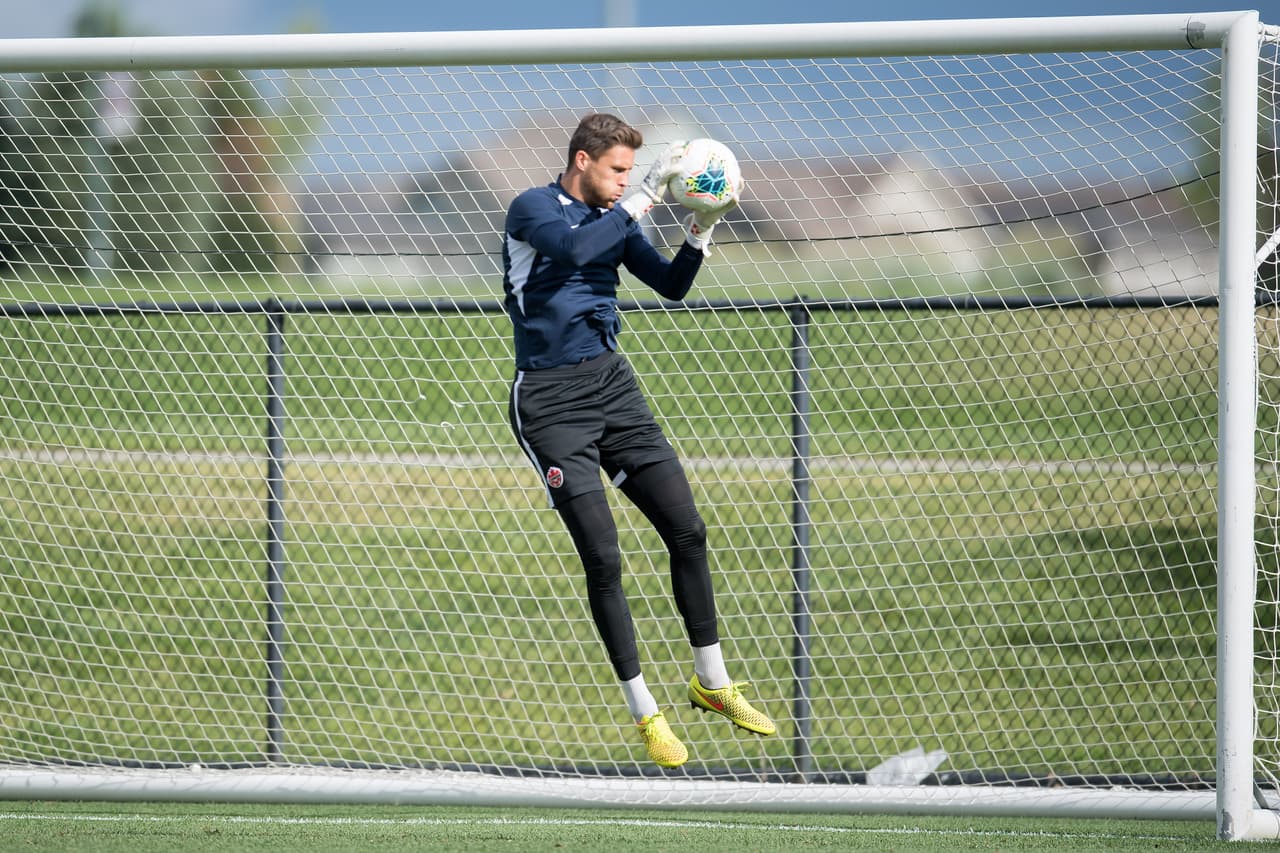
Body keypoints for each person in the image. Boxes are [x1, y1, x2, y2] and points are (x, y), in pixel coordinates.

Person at [501, 113, 775, 769]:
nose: (627, 180)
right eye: (618, 169)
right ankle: (646, 713)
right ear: (582, 160)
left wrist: (701, 229)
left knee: (687, 529)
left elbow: (672, 286)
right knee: (604, 558)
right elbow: (572, 251)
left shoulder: (615, 219)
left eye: (632, 171)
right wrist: (646, 195)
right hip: (550, 404)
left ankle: (712, 682)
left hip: (613, 389)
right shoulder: (533, 207)